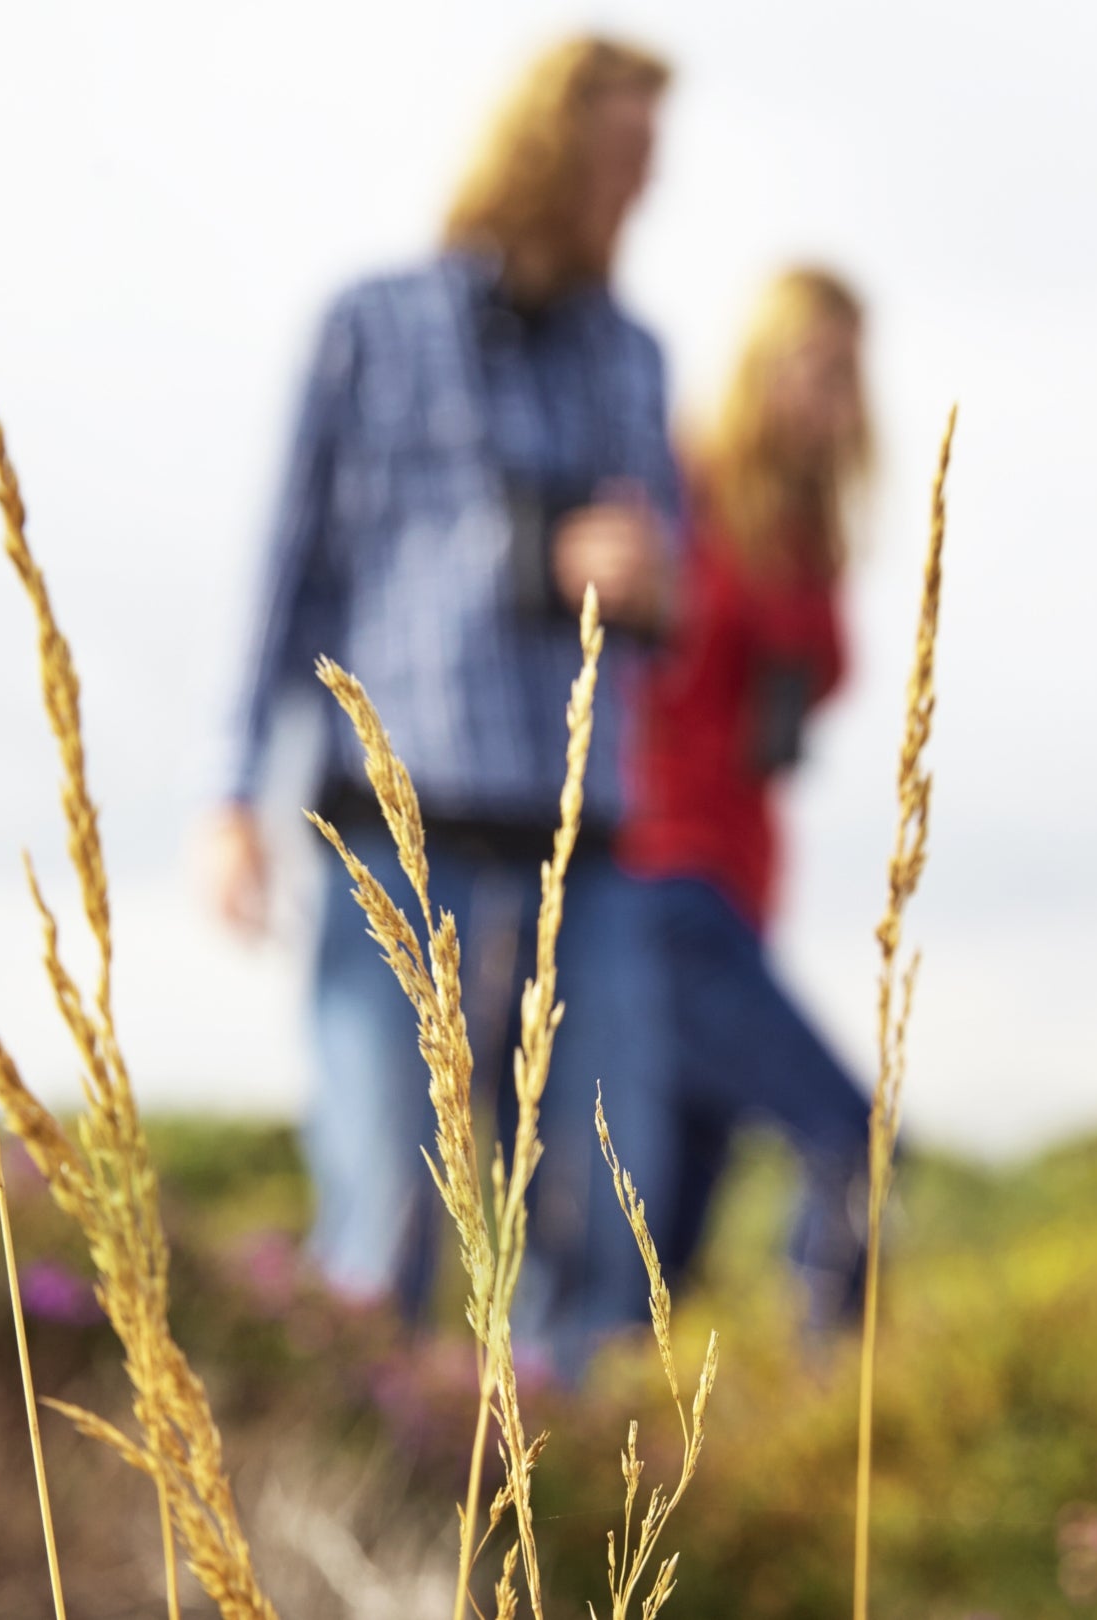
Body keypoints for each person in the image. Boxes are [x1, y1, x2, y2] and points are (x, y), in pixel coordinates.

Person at [205, 36, 683, 1375]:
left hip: (584, 848)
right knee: (389, 1216)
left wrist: (648, 582)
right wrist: (228, 793)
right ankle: (375, 1533)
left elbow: (677, 585)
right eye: (625, 157)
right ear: (551, 144)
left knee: (596, 1221)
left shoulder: (637, 358)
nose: (642, 192)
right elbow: (285, 576)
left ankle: (556, 1533)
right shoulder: (371, 326)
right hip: (396, 827)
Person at [619, 267, 877, 1328]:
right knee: (847, 1135)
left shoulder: (808, 538)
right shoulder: (685, 486)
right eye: (809, 366)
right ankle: (836, 1417)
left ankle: (609, 1466)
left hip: (743, 886)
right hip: (661, 880)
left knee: (664, 1241)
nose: (827, 397)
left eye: (846, 373)